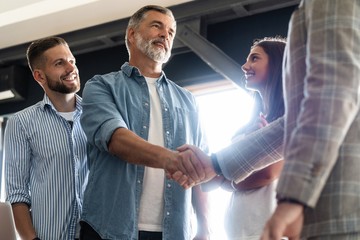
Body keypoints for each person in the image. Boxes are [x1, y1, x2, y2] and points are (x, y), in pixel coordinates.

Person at [177, 0, 360, 239]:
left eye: (254, 58)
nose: (245, 66)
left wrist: (292, 200)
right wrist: (215, 164)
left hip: (330, 214)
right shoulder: (256, 121)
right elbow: (293, 127)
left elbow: (330, 99)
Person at [79, 5, 209, 240]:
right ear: (131, 34)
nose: (165, 35)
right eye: (156, 26)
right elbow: (117, 140)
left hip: (174, 231)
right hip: (109, 228)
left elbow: (198, 169)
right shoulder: (100, 86)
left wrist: (205, 226)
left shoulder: (188, 100)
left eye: (171, 32)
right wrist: (173, 160)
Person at [201, 37, 286, 240]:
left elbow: (268, 173)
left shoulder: (290, 119)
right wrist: (223, 175)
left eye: (254, 58)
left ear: (278, 63)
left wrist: (226, 181)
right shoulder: (249, 126)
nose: (245, 65)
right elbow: (208, 180)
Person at [4, 36, 89, 239]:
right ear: (39, 76)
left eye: (71, 61)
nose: (71, 68)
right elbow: (17, 193)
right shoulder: (21, 123)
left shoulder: (98, 115)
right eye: (59, 63)